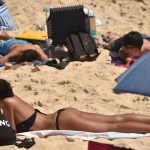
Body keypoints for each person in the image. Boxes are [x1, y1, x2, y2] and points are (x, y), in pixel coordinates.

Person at [1, 78, 150, 133]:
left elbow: (11, 133)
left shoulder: (7, 103)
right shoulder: (13, 97)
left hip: (62, 122)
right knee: (115, 119)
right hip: (64, 114)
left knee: (115, 127)